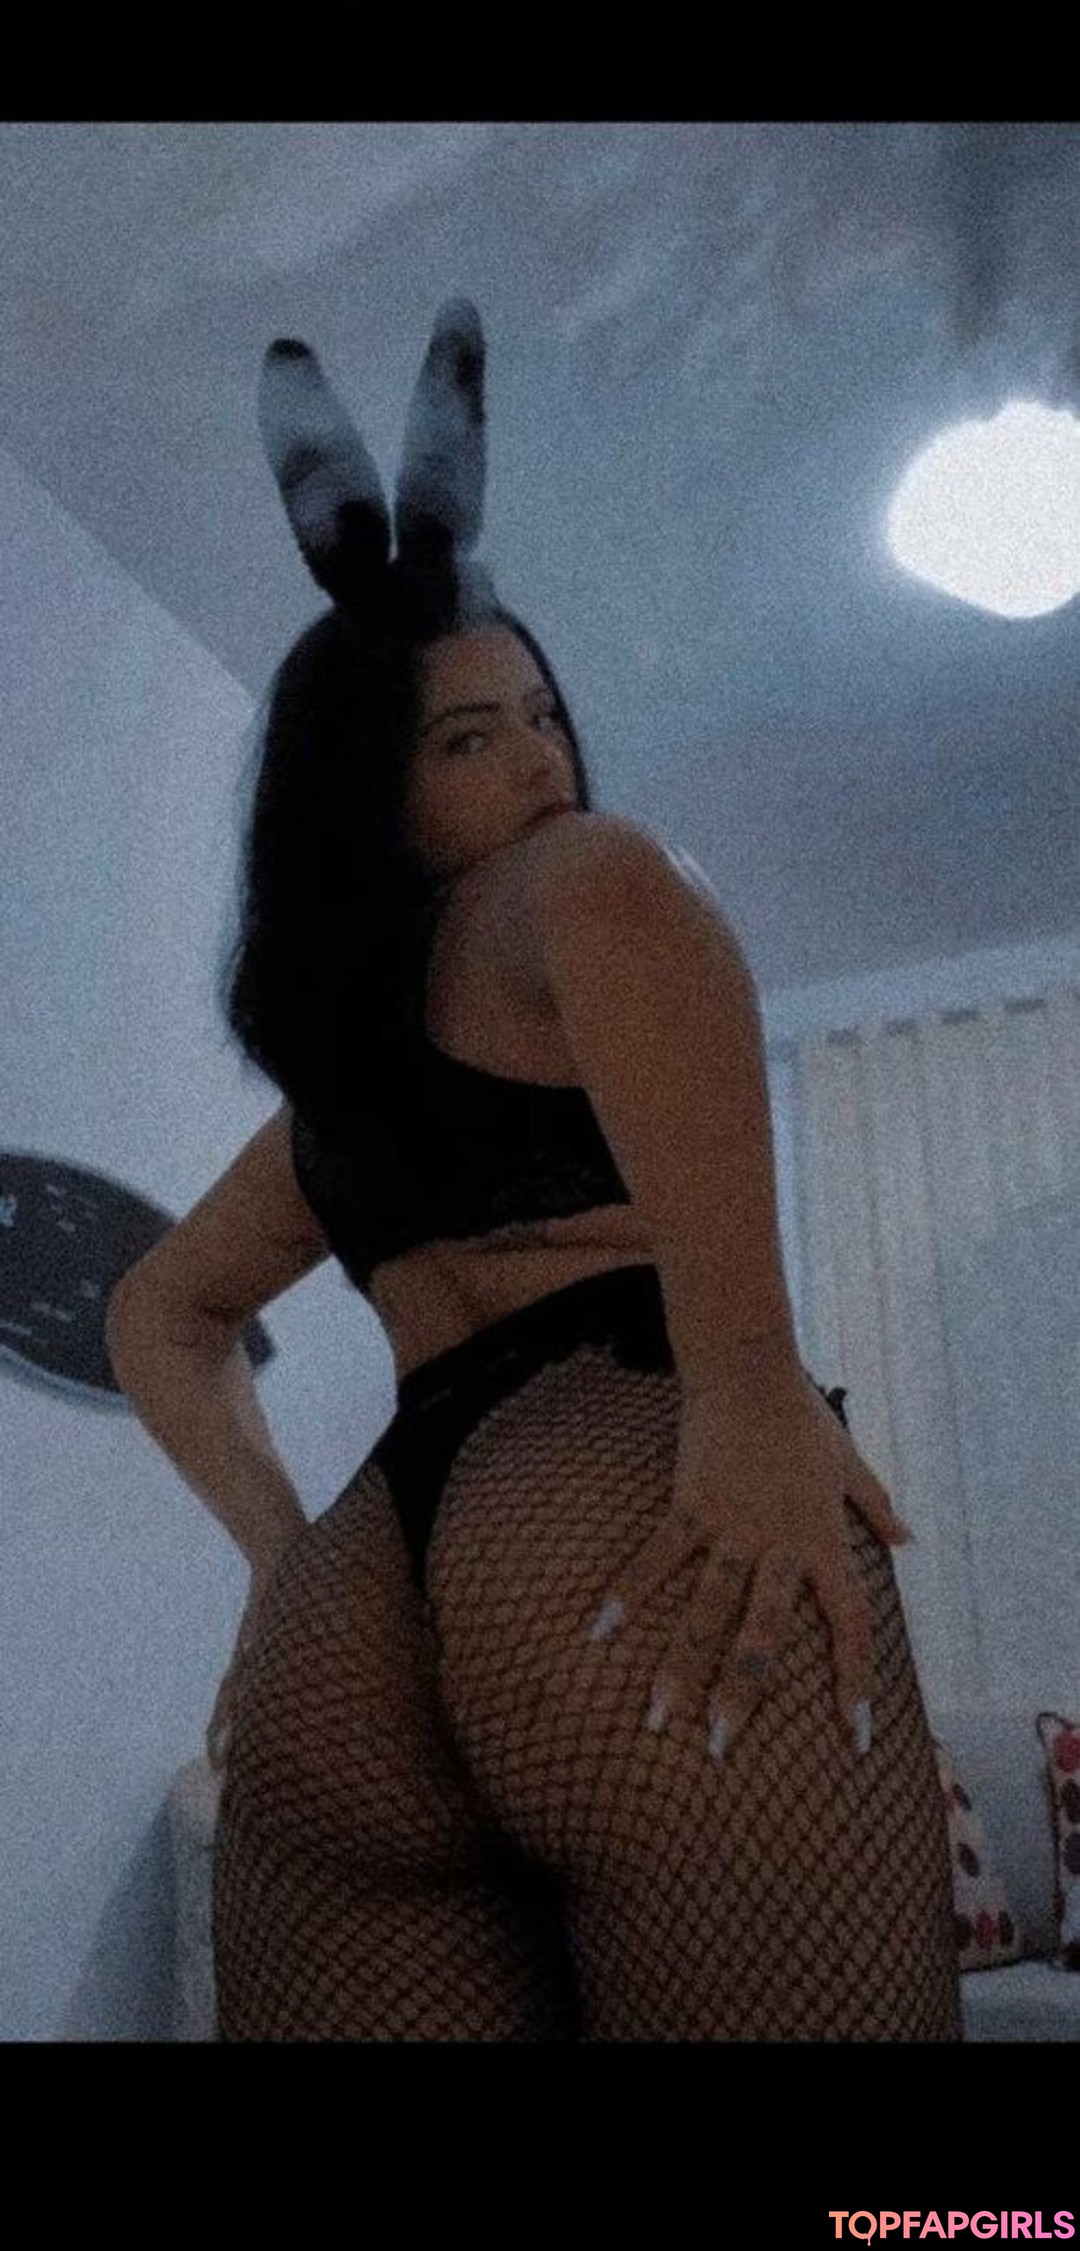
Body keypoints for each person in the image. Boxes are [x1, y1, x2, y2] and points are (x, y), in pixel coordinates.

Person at [106, 302, 961, 2041]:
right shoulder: (546, 894)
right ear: (372, 798)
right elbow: (634, 889)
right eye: (468, 738)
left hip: (357, 1617)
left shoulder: (335, 1105)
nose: (543, 761)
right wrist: (746, 1375)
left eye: (544, 715)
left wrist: (278, 1561)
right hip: (605, 1490)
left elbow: (157, 1312)